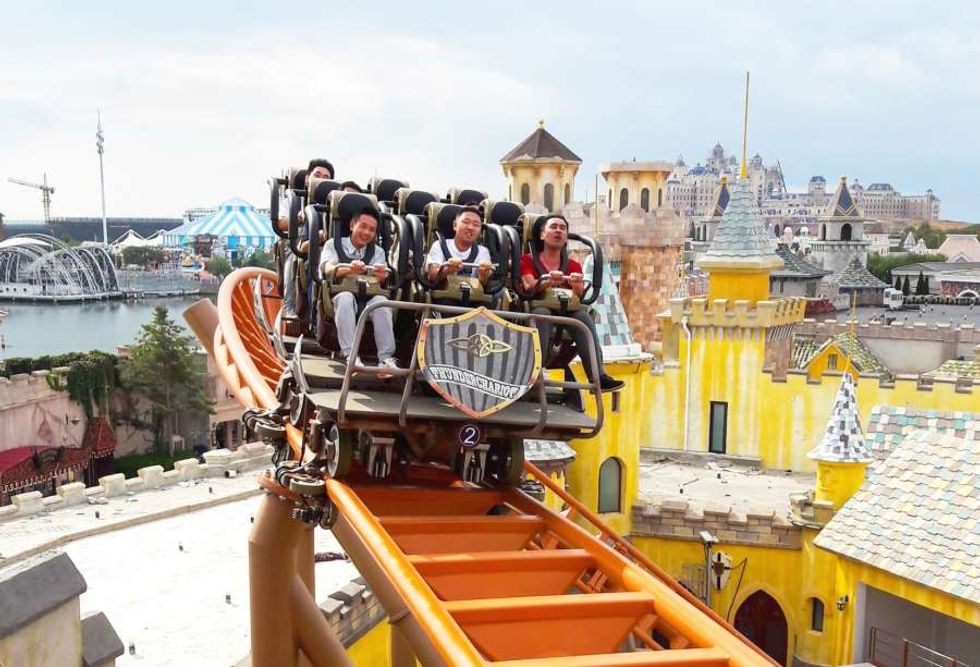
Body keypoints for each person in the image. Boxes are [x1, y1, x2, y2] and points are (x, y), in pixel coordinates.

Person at [520, 215, 624, 392]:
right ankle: (535, 372)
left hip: (565, 308)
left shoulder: (573, 265)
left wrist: (577, 286)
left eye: (562, 228)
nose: (558, 231)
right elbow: (528, 286)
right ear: (542, 234)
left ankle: (598, 376)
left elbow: (580, 295)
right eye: (553, 227)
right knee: (542, 315)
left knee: (583, 317)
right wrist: (546, 282)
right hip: (539, 306)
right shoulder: (528, 260)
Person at [319, 206, 399, 371]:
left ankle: (386, 359)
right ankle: (351, 355)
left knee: (382, 302)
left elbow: (380, 278)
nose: (366, 232)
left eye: (371, 229)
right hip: (341, 292)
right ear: (351, 226)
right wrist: (349, 269)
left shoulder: (377, 251)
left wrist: (380, 275)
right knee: (346, 298)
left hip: (369, 295)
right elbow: (327, 269)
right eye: (362, 226)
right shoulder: (333, 244)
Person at [279, 159, 335, 316]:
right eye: (317, 175)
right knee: (294, 255)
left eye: (326, 177)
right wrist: (297, 217)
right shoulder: (294, 199)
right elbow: (281, 223)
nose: (320, 180)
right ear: (307, 178)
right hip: (298, 245)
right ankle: (289, 307)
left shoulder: (334, 203)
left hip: (326, 246)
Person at [425, 205, 494, 289]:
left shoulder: (483, 251)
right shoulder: (439, 245)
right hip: (443, 295)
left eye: (476, 225)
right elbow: (432, 276)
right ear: (455, 225)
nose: (470, 227)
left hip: (472, 296)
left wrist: (483, 274)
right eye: (466, 222)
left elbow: (483, 284)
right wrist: (449, 270)